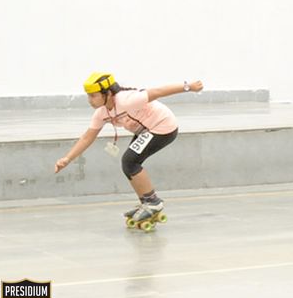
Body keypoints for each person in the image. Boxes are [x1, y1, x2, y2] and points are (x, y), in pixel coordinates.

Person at [54, 73, 203, 227]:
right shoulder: (101, 113)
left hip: (162, 127)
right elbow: (87, 137)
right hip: (145, 130)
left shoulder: (127, 100)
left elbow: (158, 92)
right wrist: (67, 159)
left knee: (130, 161)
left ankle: (153, 203)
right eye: (88, 96)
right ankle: (146, 201)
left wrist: (188, 87)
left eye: (93, 96)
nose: (89, 100)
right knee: (128, 164)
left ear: (108, 93)